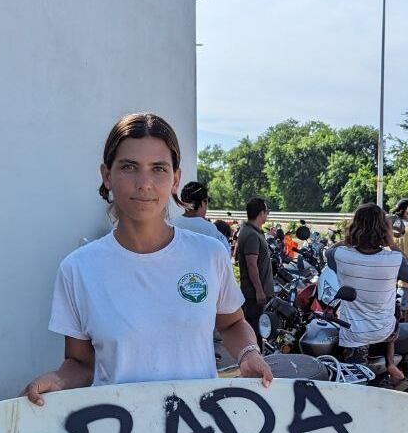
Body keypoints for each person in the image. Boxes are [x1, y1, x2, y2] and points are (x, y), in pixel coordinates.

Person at [22, 113, 270, 404]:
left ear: (175, 178)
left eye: (159, 169)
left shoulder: (209, 254)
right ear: (107, 175)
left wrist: (249, 353)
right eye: (129, 167)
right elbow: (82, 364)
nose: (144, 183)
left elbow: (231, 324)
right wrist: (58, 380)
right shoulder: (78, 269)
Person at [324, 204, 408, 379]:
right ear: (384, 230)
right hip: (385, 330)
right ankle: (390, 363)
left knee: (354, 384)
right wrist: (392, 243)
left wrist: (350, 239)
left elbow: (329, 252)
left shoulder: (342, 255)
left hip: (355, 334)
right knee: (394, 311)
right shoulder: (394, 258)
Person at [236, 198, 274, 345]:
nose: (267, 215)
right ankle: (254, 362)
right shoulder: (251, 234)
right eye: (266, 212)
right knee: (255, 331)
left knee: (256, 330)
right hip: (254, 294)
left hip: (255, 292)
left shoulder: (251, 231)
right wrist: (259, 290)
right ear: (261, 213)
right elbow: (252, 265)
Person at [171, 180, 230, 252]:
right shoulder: (210, 229)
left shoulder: (172, 225)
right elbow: (225, 252)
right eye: (207, 201)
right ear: (204, 201)